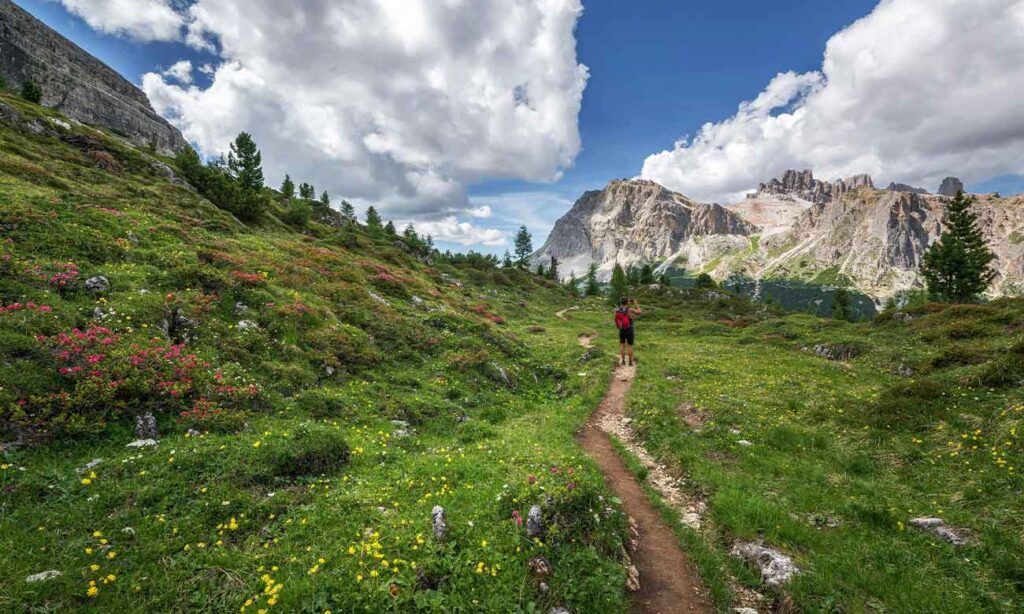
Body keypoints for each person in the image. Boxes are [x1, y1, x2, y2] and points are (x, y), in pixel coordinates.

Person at [614, 297, 642, 366]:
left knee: (622, 345)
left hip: (621, 329)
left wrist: (618, 327)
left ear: (621, 302)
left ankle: (623, 361)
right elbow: (639, 312)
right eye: (628, 301)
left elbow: (616, 319)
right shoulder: (630, 309)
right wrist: (636, 303)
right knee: (630, 345)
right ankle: (630, 362)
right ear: (627, 302)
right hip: (629, 329)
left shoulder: (617, 309)